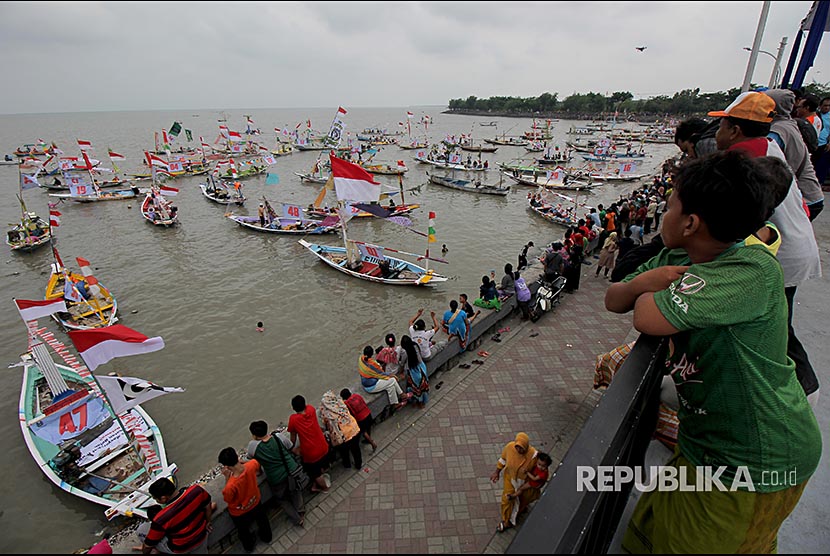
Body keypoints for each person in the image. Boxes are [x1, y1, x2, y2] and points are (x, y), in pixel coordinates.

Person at [606, 150, 821, 554]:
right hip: (705, 443)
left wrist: (647, 288)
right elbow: (615, 299)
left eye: (669, 205)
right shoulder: (677, 257)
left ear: (690, 223)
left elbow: (647, 316)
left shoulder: (750, 270)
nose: (662, 212)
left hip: (757, 458)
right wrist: (647, 281)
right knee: (647, 537)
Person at [709, 91, 821, 405]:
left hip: (780, 252)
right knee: (775, 320)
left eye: (721, 126)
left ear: (734, 130)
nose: (716, 133)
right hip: (796, 244)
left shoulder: (740, 158)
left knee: (776, 325)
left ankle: (803, 387)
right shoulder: (771, 148)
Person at [764, 89, 824, 220]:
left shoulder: (777, 132)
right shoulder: (789, 124)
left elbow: (765, 164)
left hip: (804, 197)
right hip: (811, 194)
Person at [246, 420, 305, 528]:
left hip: (276, 478)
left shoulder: (252, 446)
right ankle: (300, 510)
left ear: (254, 435)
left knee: (282, 499)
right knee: (296, 490)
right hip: (291, 470)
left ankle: (297, 519)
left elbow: (251, 460)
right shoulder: (278, 437)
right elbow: (291, 447)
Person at [138, 477, 215, 554]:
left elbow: (148, 545)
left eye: (156, 499)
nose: (156, 501)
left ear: (163, 498)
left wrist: (145, 551)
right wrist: (208, 521)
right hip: (201, 536)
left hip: (181, 548)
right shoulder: (196, 491)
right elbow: (208, 505)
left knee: (141, 529)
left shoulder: (161, 518)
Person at [218, 447, 272, 553]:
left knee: (243, 531)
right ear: (237, 457)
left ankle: (249, 546)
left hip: (240, 512)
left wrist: (227, 478)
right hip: (255, 501)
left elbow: (228, 498)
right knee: (262, 520)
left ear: (226, 466)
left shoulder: (231, 485)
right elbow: (257, 465)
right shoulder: (251, 465)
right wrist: (242, 462)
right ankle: (267, 537)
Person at [490, 432, 538, 533]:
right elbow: (503, 460)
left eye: (521, 448)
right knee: (507, 500)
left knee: (524, 498)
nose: (519, 450)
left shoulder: (533, 455)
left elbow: (538, 471)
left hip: (524, 483)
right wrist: (497, 472)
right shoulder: (509, 448)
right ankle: (506, 521)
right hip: (510, 479)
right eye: (517, 447)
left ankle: (519, 510)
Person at [288, 395, 331, 493]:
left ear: (293, 408)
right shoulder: (311, 409)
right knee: (321, 466)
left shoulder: (293, 420)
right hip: (323, 445)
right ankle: (316, 485)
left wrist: (290, 448)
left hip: (311, 452)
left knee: (315, 473)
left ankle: (325, 488)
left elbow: (293, 439)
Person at [319, 390, 363, 470]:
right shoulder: (340, 403)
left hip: (342, 434)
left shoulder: (325, 412)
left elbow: (324, 422)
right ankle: (358, 465)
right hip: (353, 428)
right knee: (356, 449)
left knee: (344, 451)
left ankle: (347, 464)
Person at [400, 335, 429, 409]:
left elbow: (402, 363)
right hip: (422, 368)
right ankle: (422, 402)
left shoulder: (405, 352)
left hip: (414, 372)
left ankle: (418, 402)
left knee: (414, 388)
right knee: (422, 387)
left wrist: (401, 372)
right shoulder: (415, 346)